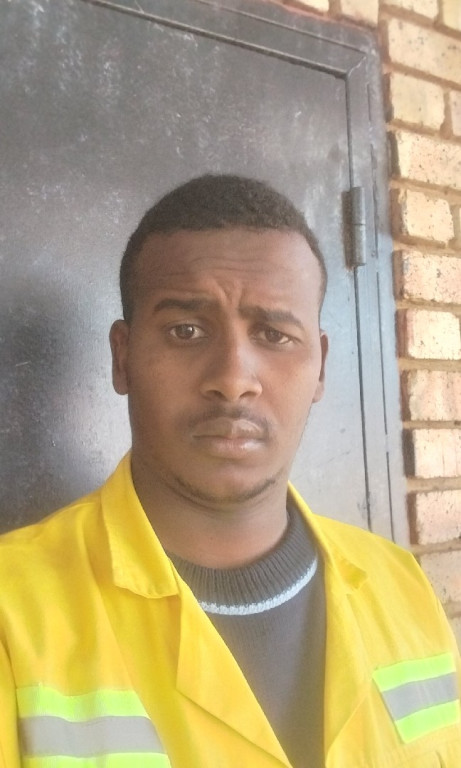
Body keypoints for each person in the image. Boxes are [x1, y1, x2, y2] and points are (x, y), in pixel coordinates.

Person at [0, 174, 460, 768]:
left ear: (320, 368)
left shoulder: (402, 584)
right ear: (122, 357)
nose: (233, 378)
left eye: (274, 334)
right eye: (186, 331)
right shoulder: (14, 607)